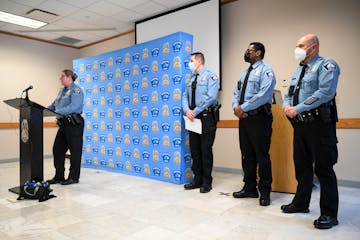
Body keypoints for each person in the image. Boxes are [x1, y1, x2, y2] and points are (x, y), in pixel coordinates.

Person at [281, 34, 340, 230]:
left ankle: (329, 214)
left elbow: (325, 93)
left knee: (324, 169)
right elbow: (288, 94)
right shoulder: (299, 70)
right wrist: (286, 107)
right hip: (300, 125)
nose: (296, 48)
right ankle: (300, 203)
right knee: (302, 167)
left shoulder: (326, 65)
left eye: (300, 45)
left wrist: (296, 109)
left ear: (313, 47)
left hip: (319, 125)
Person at [232, 42, 276, 206]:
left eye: (249, 50)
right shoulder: (244, 74)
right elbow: (235, 93)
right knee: (247, 154)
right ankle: (249, 187)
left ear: (258, 53)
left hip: (259, 119)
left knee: (261, 155)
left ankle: (265, 192)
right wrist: (236, 108)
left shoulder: (266, 71)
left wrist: (242, 108)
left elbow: (264, 95)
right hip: (244, 119)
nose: (246, 53)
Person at [182, 52, 220, 193]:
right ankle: (197, 179)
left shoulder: (211, 76)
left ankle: (206, 181)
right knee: (195, 150)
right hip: (192, 119)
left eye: (191, 60)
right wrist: (187, 110)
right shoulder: (191, 80)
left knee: (205, 149)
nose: (189, 63)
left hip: (206, 117)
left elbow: (211, 97)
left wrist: (195, 111)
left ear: (198, 62)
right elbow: (184, 96)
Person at [47, 69, 84, 185]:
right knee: (57, 149)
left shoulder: (76, 90)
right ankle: (59, 176)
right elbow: (54, 105)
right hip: (63, 124)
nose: (60, 78)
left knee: (75, 151)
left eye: (62, 76)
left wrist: (58, 112)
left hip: (73, 124)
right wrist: (43, 110)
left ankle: (73, 177)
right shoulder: (61, 91)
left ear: (69, 77)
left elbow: (74, 106)